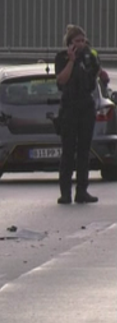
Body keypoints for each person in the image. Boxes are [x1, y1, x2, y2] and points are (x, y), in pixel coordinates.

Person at [55, 25, 109, 204]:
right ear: (69, 43)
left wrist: (102, 75)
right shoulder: (62, 58)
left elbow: (97, 74)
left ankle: (82, 191)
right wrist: (71, 61)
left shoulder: (90, 56)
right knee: (68, 151)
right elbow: (61, 80)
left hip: (86, 107)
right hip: (69, 109)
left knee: (84, 151)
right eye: (76, 41)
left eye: (82, 40)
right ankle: (65, 193)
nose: (81, 44)